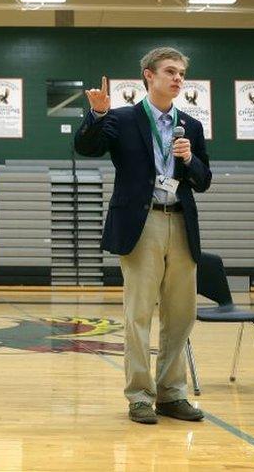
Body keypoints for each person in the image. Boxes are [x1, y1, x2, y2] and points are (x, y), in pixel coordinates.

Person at [74, 47, 211, 424]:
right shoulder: (121, 119)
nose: (178, 79)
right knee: (138, 315)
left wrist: (188, 159)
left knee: (181, 314)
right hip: (142, 222)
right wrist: (98, 114)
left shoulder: (192, 127)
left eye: (182, 73)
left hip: (181, 222)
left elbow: (203, 180)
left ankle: (172, 394)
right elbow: (86, 147)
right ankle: (138, 396)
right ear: (149, 76)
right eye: (170, 71)